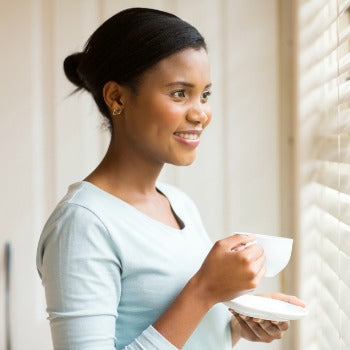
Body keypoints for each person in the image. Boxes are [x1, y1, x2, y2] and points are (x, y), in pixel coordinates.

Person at [36, 7, 305, 350]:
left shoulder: (179, 205)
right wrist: (204, 291)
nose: (201, 113)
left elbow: (182, 331)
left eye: (205, 94)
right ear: (117, 97)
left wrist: (233, 324)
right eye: (180, 93)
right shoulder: (83, 224)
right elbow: (190, 303)